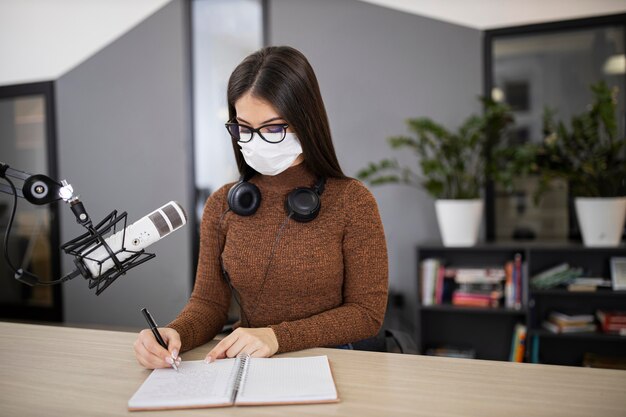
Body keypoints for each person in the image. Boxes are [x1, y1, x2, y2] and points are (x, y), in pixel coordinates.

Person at [133, 46, 388, 370]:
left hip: (336, 365)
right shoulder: (222, 205)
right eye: (243, 127)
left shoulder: (353, 201)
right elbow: (209, 304)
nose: (254, 141)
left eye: (273, 127)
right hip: (253, 366)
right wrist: (173, 333)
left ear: (305, 121)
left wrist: (276, 337)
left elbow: (366, 314)